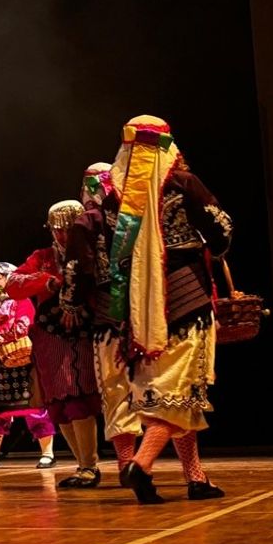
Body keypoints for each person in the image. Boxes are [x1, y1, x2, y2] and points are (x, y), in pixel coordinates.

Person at [107, 115, 231, 503]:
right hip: (185, 296)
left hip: (138, 304)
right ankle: (140, 465)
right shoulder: (182, 182)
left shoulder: (116, 191)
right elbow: (221, 228)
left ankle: (196, 478)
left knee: (162, 389)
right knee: (181, 388)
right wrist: (216, 249)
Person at [6, 200, 102, 489]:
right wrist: (48, 282)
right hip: (49, 338)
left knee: (78, 398)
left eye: (68, 228)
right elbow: (13, 283)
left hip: (82, 335)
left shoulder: (91, 253)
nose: (61, 235)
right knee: (58, 404)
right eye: (56, 229)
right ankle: (83, 464)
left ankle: (89, 465)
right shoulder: (44, 257)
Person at [66, 162, 142, 480]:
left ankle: (127, 464)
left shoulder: (86, 221)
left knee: (115, 387)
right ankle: (189, 471)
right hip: (148, 312)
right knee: (161, 387)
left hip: (109, 315)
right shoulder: (138, 215)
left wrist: (70, 304)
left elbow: (78, 270)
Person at [0, 262, 57, 470]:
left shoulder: (21, 299)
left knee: (34, 408)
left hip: (23, 361)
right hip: (1, 361)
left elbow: (26, 323)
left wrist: (6, 336)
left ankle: (48, 453)